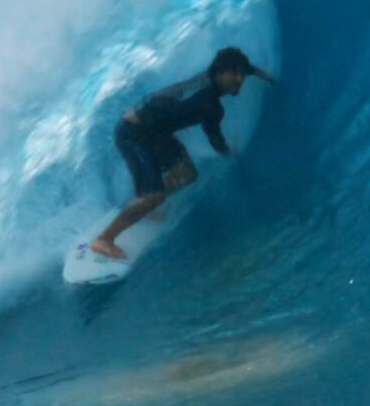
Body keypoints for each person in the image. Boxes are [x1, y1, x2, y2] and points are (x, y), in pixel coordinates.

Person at [91, 47, 274, 259]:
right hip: (135, 132)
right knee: (154, 195)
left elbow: (247, 68)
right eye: (234, 73)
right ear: (220, 73)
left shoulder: (209, 76)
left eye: (241, 73)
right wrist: (229, 153)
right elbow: (214, 138)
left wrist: (266, 76)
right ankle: (104, 239)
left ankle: (144, 203)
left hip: (155, 130)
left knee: (187, 174)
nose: (239, 78)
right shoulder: (210, 106)